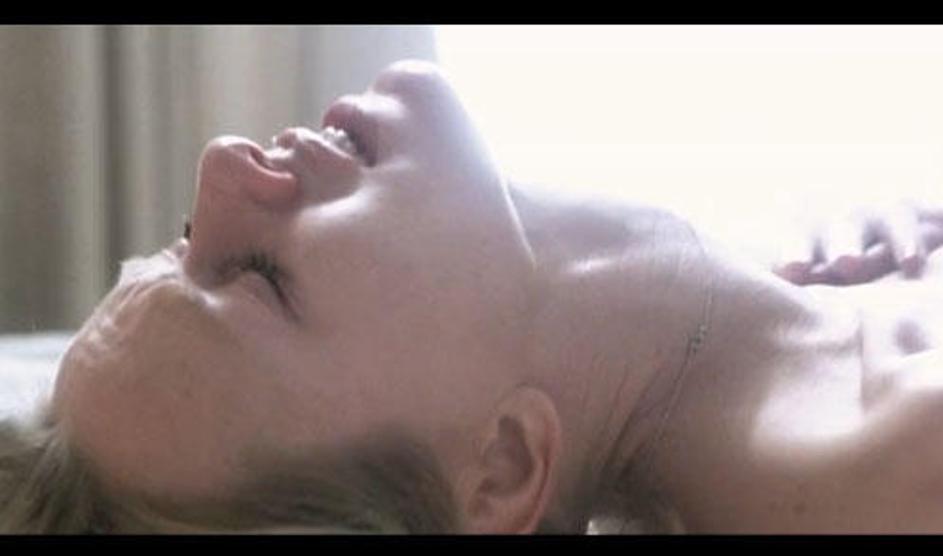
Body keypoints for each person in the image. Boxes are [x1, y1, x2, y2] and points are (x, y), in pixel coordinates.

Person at [3, 59, 943, 534]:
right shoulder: (906, 460)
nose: (222, 168)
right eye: (260, 278)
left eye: (181, 241)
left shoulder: (830, 282)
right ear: (499, 470)